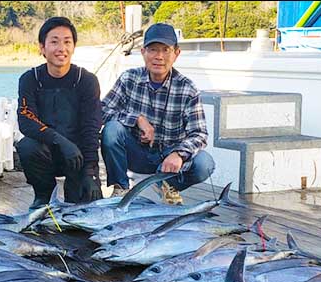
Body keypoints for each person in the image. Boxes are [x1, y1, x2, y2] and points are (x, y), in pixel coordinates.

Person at [101, 23, 214, 204]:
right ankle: (121, 189)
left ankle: (168, 185)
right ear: (143, 51)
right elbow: (102, 111)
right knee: (112, 129)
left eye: (165, 50)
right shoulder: (128, 78)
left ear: (176, 53)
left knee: (204, 164)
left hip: (170, 159)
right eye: (153, 50)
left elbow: (199, 134)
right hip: (136, 153)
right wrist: (137, 119)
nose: (159, 57)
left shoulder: (188, 89)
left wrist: (179, 154)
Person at [16, 17, 103, 209]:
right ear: (42, 47)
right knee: (27, 146)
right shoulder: (30, 79)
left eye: (67, 42)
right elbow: (26, 120)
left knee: (87, 208)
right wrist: (60, 141)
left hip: (77, 156)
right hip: (47, 151)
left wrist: (90, 172)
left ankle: (79, 184)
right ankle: (43, 194)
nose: (61, 48)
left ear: (73, 47)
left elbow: (91, 127)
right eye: (54, 42)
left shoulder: (87, 80)